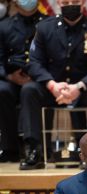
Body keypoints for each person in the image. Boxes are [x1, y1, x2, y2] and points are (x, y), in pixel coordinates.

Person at [19, 0, 87, 170]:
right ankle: (35, 150)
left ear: (83, 2)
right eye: (65, 1)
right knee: (29, 89)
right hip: (54, 88)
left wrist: (79, 86)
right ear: (59, 3)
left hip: (84, 88)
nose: (70, 4)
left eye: (75, 1)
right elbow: (34, 63)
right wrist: (51, 85)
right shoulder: (44, 28)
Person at [0, 0, 47, 162]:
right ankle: (9, 148)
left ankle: (38, 147)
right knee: (2, 90)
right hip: (11, 77)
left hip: (40, 78)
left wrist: (40, 75)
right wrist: (9, 76)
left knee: (32, 90)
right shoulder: (4, 26)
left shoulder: (49, 24)